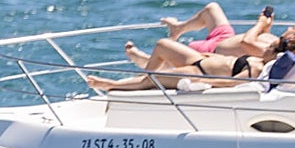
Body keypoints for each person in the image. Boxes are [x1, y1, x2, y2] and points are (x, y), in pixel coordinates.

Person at [85, 37, 266, 92]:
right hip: (201, 60)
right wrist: (209, 55)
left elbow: (231, 82)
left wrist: (205, 83)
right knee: (162, 44)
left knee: (151, 80)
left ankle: (111, 85)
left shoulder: (256, 69)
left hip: (199, 72)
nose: (266, 47)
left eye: (271, 48)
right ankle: (145, 66)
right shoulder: (258, 59)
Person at [161, 1, 295, 58]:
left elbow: (247, 42)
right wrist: (267, 27)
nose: (289, 28)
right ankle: (178, 28)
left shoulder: (274, 53)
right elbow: (260, 37)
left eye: (293, 28)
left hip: (212, 50)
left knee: (165, 50)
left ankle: (142, 61)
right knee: (212, 8)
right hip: (225, 38)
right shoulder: (276, 42)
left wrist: (260, 24)